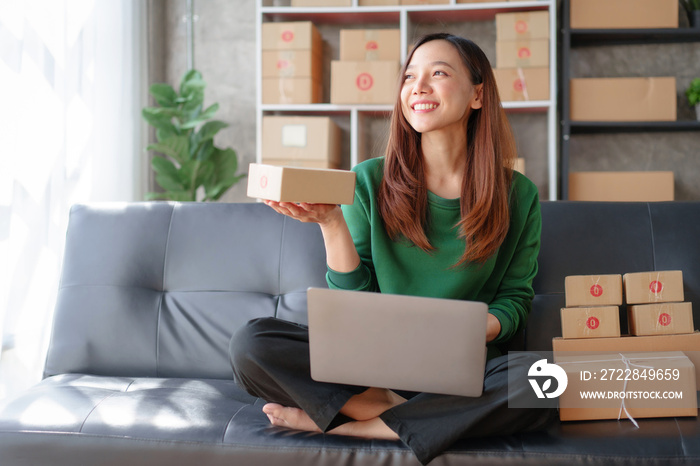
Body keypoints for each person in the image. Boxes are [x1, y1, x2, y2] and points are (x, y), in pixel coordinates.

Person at [229, 33, 556, 465]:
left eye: (438, 73)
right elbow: (352, 307)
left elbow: (515, 301)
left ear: (478, 94)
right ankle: (407, 419)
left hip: (462, 372)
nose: (418, 87)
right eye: (409, 77)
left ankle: (359, 425)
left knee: (546, 380)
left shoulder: (518, 195)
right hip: (372, 366)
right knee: (251, 345)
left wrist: (471, 331)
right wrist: (330, 222)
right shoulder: (368, 180)